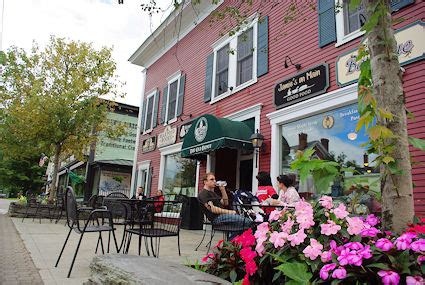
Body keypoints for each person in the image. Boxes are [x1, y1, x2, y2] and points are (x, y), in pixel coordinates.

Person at [198, 172, 251, 239]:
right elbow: (213, 209)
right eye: (212, 179)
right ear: (205, 182)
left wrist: (222, 190)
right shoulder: (203, 194)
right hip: (216, 218)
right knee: (246, 222)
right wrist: (230, 212)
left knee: (244, 224)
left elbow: (225, 202)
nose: (214, 181)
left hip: (222, 216)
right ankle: (231, 242)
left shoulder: (213, 193)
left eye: (214, 179)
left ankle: (231, 242)